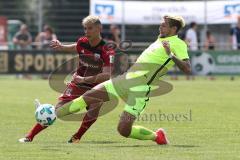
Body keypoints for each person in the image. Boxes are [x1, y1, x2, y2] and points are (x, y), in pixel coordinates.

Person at [55, 15, 191, 144]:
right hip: (125, 79)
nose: (160, 27)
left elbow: (187, 68)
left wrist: (171, 55)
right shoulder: (161, 39)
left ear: (173, 29)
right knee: (89, 96)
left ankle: (157, 136)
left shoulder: (178, 44)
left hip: (140, 89)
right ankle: (54, 113)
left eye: (164, 25)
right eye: (161, 24)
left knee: (123, 130)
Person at [19, 15, 115, 143]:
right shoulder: (82, 41)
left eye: (90, 28)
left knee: (94, 108)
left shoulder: (107, 50)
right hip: (78, 83)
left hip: (96, 86)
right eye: (85, 28)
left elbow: (107, 75)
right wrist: (62, 47)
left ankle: (77, 137)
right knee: (57, 111)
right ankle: (29, 136)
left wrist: (84, 79)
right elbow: (77, 46)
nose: (87, 31)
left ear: (99, 28)